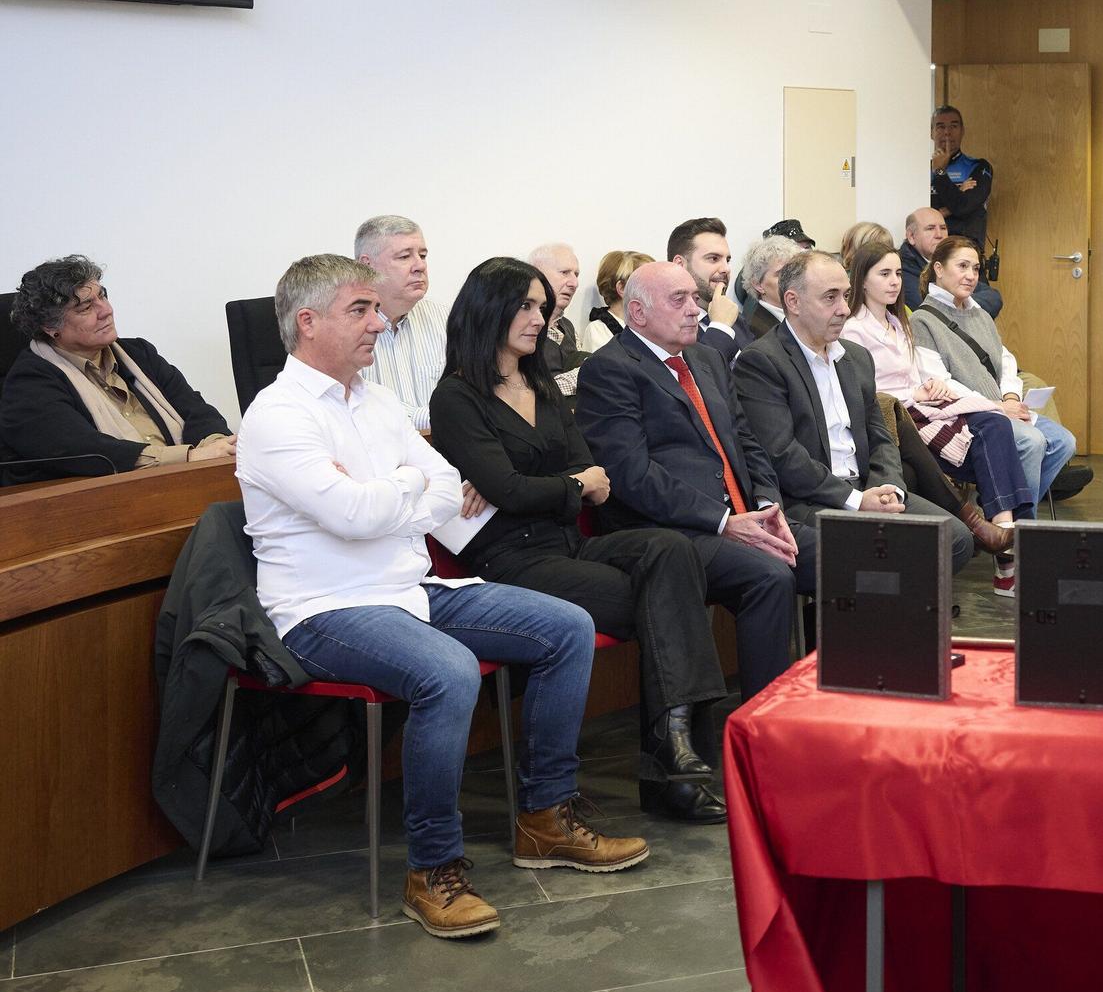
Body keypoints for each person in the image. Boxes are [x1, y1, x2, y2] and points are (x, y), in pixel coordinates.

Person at [238, 254, 646, 940]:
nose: (379, 323)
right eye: (360, 311)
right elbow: (359, 514)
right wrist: (406, 490)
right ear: (307, 323)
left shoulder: (377, 401)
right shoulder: (276, 416)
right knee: (448, 671)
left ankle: (546, 819)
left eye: (376, 309)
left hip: (410, 589)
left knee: (566, 627)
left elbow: (433, 491)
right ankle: (432, 869)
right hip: (323, 609)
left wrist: (394, 491)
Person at [428, 258, 728, 824]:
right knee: (666, 602)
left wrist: (558, 486)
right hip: (511, 560)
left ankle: (676, 758)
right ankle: (677, 763)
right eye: (525, 306)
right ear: (487, 310)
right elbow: (516, 490)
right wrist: (568, 485)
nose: (539, 318)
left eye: (542, 306)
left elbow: (593, 476)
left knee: (670, 550)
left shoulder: (540, 383)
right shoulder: (456, 397)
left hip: (568, 544)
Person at [575, 261, 817, 702]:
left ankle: (842, 695)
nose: (695, 309)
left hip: (744, 516)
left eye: (696, 297)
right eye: (679, 299)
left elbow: (747, 440)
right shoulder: (610, 370)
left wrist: (766, 504)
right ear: (638, 312)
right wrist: (724, 520)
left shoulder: (706, 358)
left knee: (847, 553)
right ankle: (764, 721)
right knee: (769, 575)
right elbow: (633, 476)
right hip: (673, 533)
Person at [735, 248, 976, 571]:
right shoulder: (762, 361)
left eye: (846, 296)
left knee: (956, 539)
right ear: (793, 302)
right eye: (830, 298)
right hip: (810, 499)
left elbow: (881, 437)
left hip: (866, 487)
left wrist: (889, 489)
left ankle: (895, 616)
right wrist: (857, 502)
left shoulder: (856, 357)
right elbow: (782, 455)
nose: (844, 309)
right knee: (883, 551)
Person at [841, 240, 1033, 592]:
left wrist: (930, 387)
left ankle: (1004, 531)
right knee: (991, 433)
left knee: (994, 423)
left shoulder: (899, 322)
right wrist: (915, 393)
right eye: (883, 274)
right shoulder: (854, 329)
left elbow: (916, 374)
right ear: (862, 281)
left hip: (924, 404)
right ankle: (1005, 546)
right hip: (897, 416)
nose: (894, 282)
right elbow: (868, 392)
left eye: (898, 273)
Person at [1, 255, 234, 482]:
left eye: (103, 296)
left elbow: (196, 409)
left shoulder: (139, 353)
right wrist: (189, 457)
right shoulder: (28, 383)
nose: (105, 311)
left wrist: (216, 446)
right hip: (105, 500)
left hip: (186, 478)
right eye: (85, 307)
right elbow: (85, 451)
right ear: (50, 326)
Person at [912, 237, 1079, 508]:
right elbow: (942, 385)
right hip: (969, 415)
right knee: (1033, 443)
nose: (971, 276)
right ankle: (1020, 526)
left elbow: (1005, 360)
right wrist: (999, 408)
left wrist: (1011, 397)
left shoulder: (979, 314)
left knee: (1064, 442)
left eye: (976, 269)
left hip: (1001, 407)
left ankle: (1003, 505)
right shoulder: (922, 320)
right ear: (939, 269)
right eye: (962, 266)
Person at [354, 215, 447, 429]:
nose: (420, 266)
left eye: (422, 255)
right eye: (405, 257)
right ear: (366, 266)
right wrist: (445, 418)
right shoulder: (346, 329)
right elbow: (361, 410)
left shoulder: (446, 318)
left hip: (449, 450)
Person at [929, 105, 998, 297]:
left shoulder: (979, 167)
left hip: (968, 257)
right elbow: (918, 214)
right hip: (930, 259)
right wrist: (957, 194)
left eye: (953, 126)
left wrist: (940, 173)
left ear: (962, 131)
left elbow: (964, 207)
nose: (947, 132)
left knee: (986, 306)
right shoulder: (919, 169)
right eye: (940, 126)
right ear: (931, 132)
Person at [667, 217, 741, 362]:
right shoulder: (666, 325)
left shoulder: (733, 315)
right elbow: (699, 377)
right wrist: (720, 327)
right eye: (713, 259)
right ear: (680, 265)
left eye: (728, 260)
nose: (726, 269)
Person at [527, 242, 586, 391]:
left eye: (576, 274)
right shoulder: (520, 326)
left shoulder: (568, 327)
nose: (574, 283)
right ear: (537, 274)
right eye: (564, 272)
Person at [735, 234, 804, 349]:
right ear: (758, 284)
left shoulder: (802, 313)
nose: (793, 278)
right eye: (782, 274)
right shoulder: (754, 332)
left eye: (796, 271)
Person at [578, 250, 652, 354]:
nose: (656, 289)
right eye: (647, 283)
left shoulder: (653, 325)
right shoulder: (598, 330)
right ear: (622, 288)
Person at [899, 208, 952, 312]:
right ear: (911, 236)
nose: (939, 235)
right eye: (930, 229)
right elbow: (930, 309)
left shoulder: (953, 259)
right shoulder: (901, 268)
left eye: (943, 228)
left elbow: (992, 296)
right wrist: (964, 300)